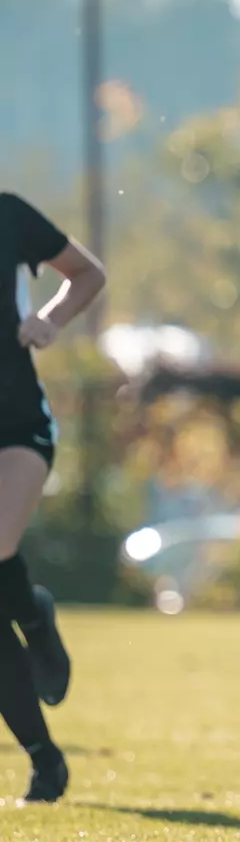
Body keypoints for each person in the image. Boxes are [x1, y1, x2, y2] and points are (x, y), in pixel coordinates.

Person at [0, 192, 105, 802]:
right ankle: (45, 760)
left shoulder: (8, 214)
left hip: (16, 425)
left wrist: (50, 320)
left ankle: (35, 617)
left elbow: (89, 273)